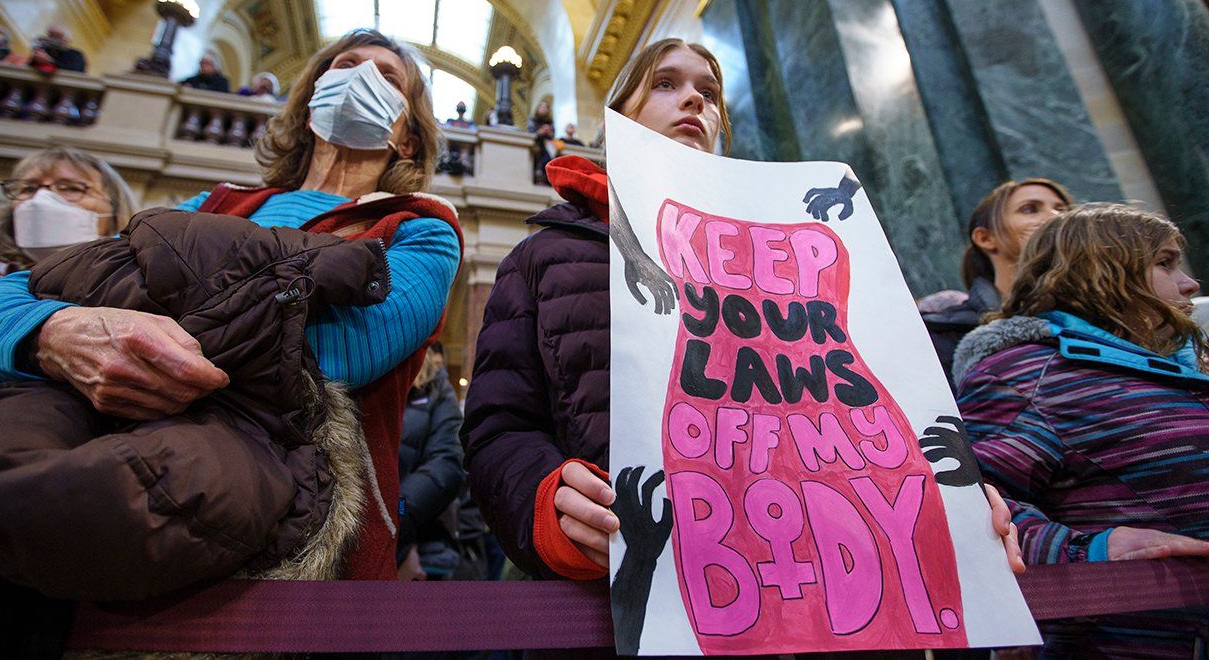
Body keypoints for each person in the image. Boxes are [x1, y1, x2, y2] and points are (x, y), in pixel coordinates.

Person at [462, 39, 1024, 643]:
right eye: (665, 83)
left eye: (709, 92)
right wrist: (549, 504)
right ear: (618, 117)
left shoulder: (801, 248)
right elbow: (500, 426)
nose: (693, 101)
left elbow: (862, 407)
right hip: (633, 609)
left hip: (829, 602)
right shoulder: (544, 258)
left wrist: (958, 501)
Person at [0, 28, 460, 595]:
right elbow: (2, 297)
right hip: (85, 441)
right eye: (344, 65)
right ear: (307, 106)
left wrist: (141, 330)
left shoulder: (419, 229)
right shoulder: (213, 203)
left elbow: (342, 352)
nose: (360, 78)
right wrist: (52, 331)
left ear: (409, 141)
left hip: (280, 508)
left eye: (387, 77)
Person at [954, 203, 1209, 657]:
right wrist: (1085, 550)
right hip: (1135, 639)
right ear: (1100, 270)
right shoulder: (1025, 372)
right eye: (1164, 263)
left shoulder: (1182, 367)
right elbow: (963, 499)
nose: (1190, 283)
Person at [922, 178, 1072, 387]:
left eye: (1062, 209)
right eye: (1029, 209)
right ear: (985, 238)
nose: (1057, 217)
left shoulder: (1105, 319)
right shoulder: (942, 336)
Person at [0, 147, 138, 278]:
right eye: (29, 188)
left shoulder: (141, 283)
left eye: (71, 188)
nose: (41, 198)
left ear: (115, 208)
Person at [397, 342, 466, 581]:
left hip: (425, 543)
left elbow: (446, 465)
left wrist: (396, 513)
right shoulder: (358, 377)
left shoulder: (435, 389)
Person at [527, 100, 555, 184]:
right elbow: (530, 134)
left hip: (547, 144)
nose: (544, 109)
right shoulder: (532, 120)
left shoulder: (550, 122)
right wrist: (541, 131)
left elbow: (553, 136)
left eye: (546, 107)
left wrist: (549, 132)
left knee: (549, 153)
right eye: (542, 107)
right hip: (537, 143)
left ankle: (542, 171)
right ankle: (539, 170)